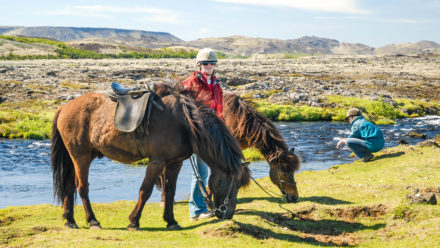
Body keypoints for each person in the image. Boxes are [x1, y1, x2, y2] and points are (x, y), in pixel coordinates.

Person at [181, 48, 222, 221]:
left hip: (213, 131)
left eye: (212, 63)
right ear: (199, 65)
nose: (209, 66)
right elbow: (185, 108)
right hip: (197, 132)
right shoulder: (191, 82)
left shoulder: (216, 84)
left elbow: (219, 109)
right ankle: (196, 212)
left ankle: (207, 205)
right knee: (201, 172)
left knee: (211, 170)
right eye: (205, 63)